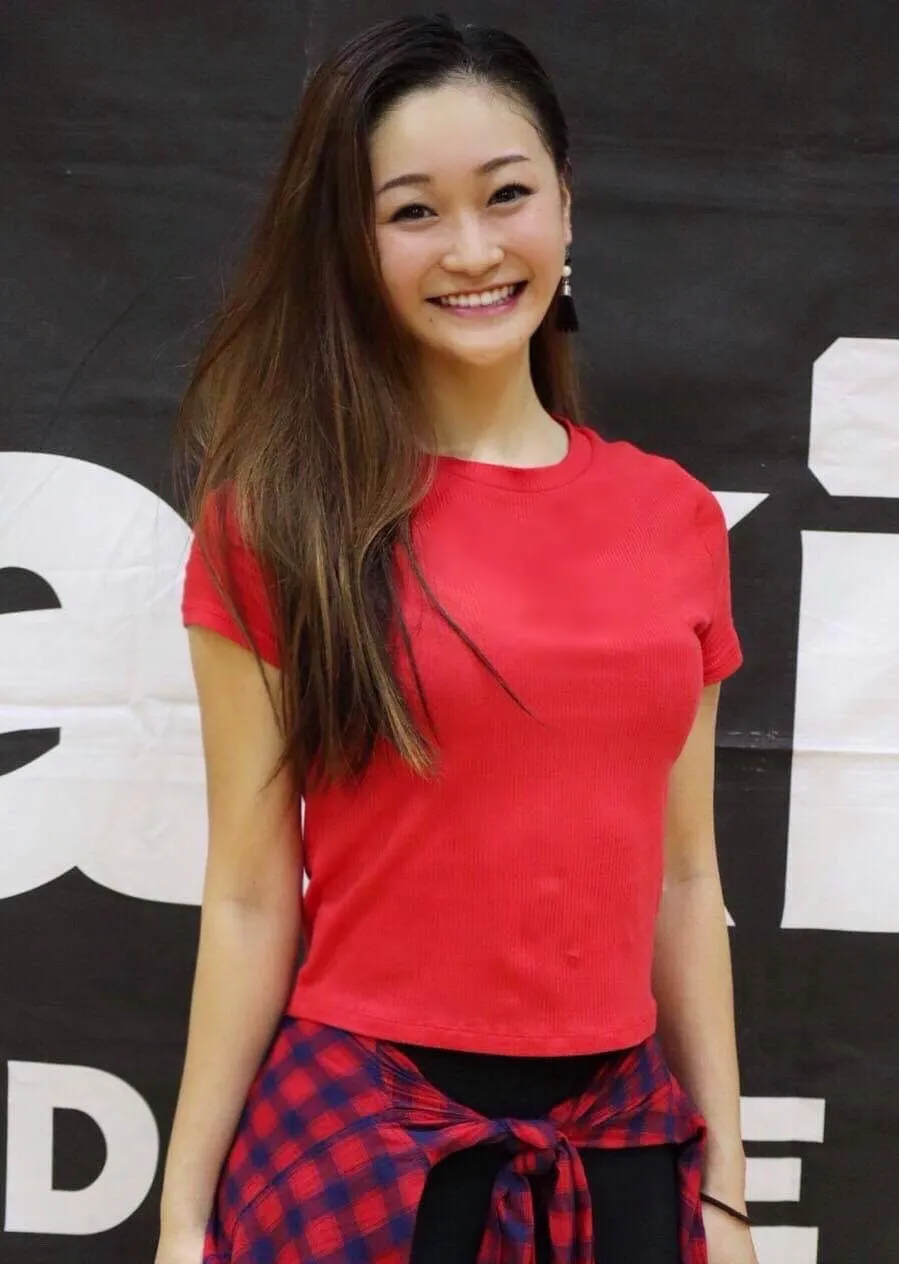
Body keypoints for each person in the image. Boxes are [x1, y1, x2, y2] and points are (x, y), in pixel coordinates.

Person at [156, 14, 758, 1264]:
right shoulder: (276, 521)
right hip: (360, 1148)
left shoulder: (672, 518)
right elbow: (252, 896)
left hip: (621, 1149)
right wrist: (182, 1216)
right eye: (413, 212)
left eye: (506, 194)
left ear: (565, 205)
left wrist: (726, 1189)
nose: (472, 250)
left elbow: (684, 880)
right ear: (352, 241)